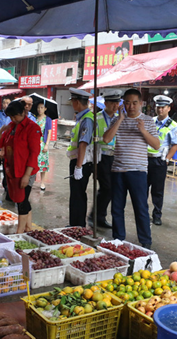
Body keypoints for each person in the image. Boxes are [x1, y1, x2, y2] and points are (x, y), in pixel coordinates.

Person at [103, 89, 160, 249]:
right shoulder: (117, 119)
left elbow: (156, 145)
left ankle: (145, 242)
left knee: (141, 207)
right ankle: (118, 239)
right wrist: (120, 119)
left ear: (141, 103)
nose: (131, 106)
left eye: (134, 102)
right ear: (123, 104)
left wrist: (142, 130)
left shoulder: (148, 121)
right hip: (118, 171)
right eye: (127, 102)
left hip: (138, 171)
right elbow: (106, 138)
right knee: (117, 207)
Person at [0, 100, 41, 233]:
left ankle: (19, 232)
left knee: (22, 200)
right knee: (21, 199)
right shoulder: (11, 126)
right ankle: (28, 227)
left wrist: (27, 175)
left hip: (26, 170)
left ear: (23, 113)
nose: (13, 119)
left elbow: (34, 153)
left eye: (15, 116)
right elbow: (0, 144)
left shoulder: (33, 128)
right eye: (10, 117)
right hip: (12, 169)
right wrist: (0, 133)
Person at [88, 89, 122, 229]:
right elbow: (92, 139)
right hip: (101, 157)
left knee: (111, 189)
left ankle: (99, 215)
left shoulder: (120, 118)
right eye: (112, 103)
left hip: (116, 158)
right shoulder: (97, 118)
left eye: (117, 103)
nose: (115, 106)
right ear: (106, 103)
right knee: (106, 187)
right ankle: (95, 216)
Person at [147, 95, 177, 226]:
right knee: (142, 188)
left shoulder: (174, 126)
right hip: (146, 159)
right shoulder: (150, 121)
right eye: (158, 107)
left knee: (157, 191)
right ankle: (143, 213)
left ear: (168, 108)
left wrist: (167, 159)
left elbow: (175, 144)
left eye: (163, 107)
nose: (160, 110)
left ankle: (157, 215)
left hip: (159, 161)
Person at [67, 88, 95, 227]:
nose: (72, 104)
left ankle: (77, 226)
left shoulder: (87, 119)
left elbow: (83, 144)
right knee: (76, 195)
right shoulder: (82, 117)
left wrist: (78, 167)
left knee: (78, 196)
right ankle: (75, 224)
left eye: (72, 101)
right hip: (79, 161)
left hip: (81, 163)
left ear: (77, 102)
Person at [36, 103, 52, 191]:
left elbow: (49, 132)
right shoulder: (34, 118)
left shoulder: (48, 119)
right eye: (38, 107)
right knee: (33, 162)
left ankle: (42, 182)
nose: (39, 109)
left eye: (41, 107)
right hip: (34, 142)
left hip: (42, 143)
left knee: (43, 163)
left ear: (45, 108)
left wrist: (46, 145)